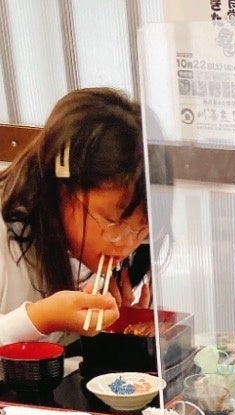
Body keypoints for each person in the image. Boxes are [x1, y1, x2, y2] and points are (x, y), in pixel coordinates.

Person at [0, 87, 155, 346]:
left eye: (142, 228)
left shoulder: (90, 255)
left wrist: (114, 330)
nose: (127, 244)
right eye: (113, 223)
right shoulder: (6, 234)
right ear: (61, 187)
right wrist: (42, 318)